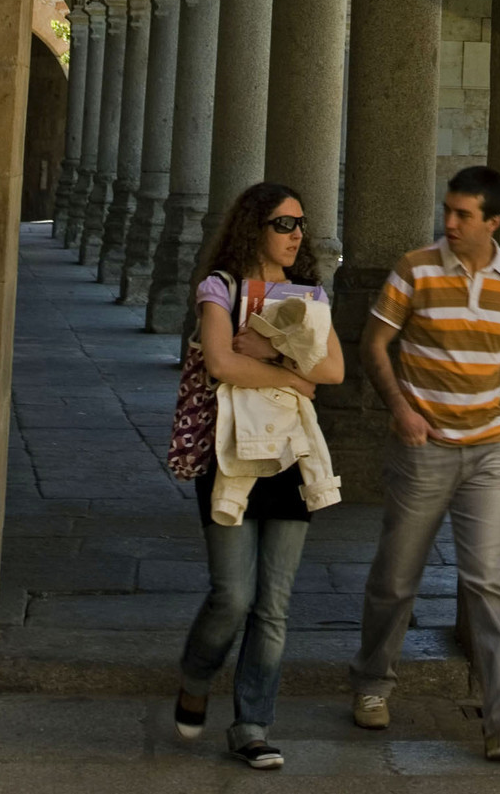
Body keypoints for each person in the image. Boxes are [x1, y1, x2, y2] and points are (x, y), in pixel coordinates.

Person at [350, 165, 500, 763]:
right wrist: (401, 410)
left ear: (494, 221)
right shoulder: (415, 268)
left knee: (489, 581)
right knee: (396, 576)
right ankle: (370, 684)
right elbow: (373, 344)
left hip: (489, 447)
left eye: (464, 215)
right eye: (448, 211)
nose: (451, 223)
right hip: (424, 447)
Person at [175, 182, 345, 770]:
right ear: (254, 228)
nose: (298, 235)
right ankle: (196, 676)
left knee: (273, 605)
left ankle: (251, 724)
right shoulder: (218, 288)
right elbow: (220, 361)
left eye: (301, 224)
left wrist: (272, 354)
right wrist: (292, 375)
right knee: (232, 596)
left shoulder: (308, 294)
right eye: (284, 224)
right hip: (229, 453)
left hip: (290, 456)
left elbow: (332, 369)